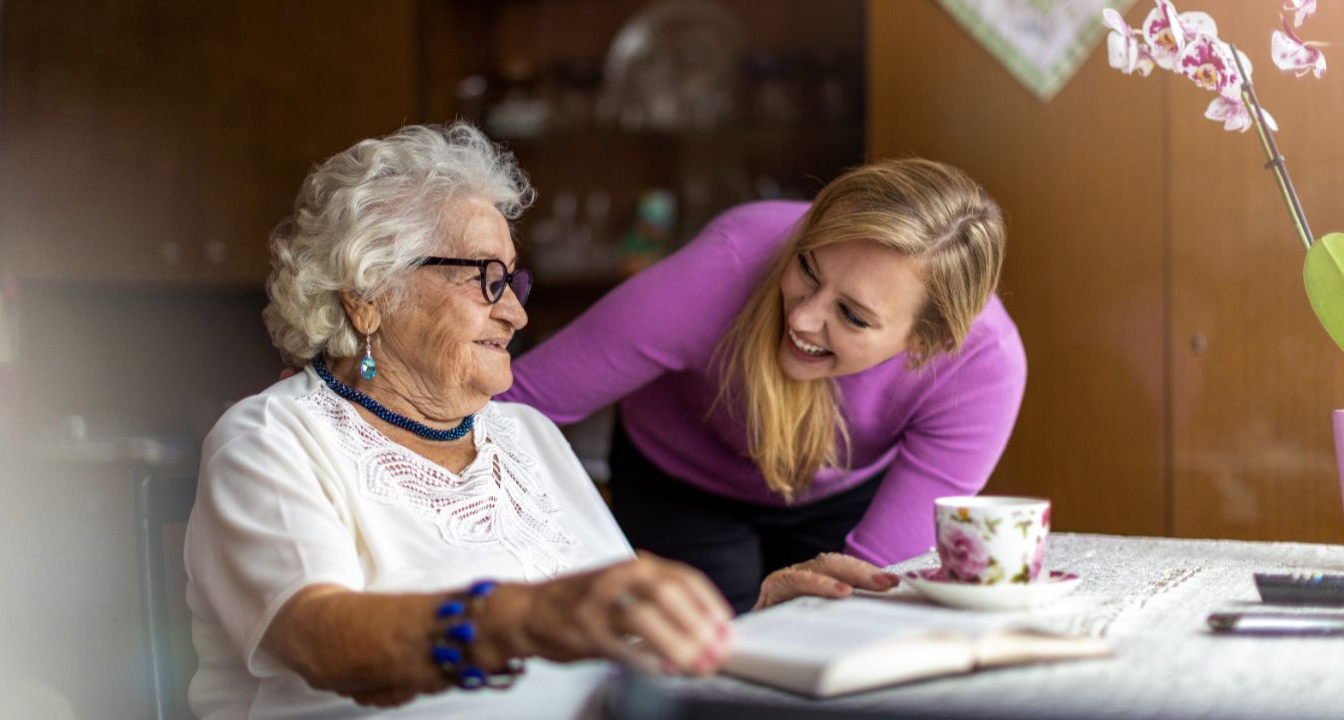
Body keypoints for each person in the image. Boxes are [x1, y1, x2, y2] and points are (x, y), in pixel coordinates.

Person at [183, 123, 899, 719]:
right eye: (483, 278)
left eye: (513, 280)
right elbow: (322, 640)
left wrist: (756, 615)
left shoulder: (522, 435)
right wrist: (521, 618)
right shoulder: (273, 441)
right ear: (369, 295)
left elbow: (613, 628)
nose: (516, 312)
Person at [501, 158, 1026, 613]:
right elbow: (511, 402)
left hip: (842, 492)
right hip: (680, 479)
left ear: (927, 342)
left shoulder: (983, 366)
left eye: (851, 315)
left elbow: (871, 589)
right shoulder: (727, 263)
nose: (803, 318)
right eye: (808, 268)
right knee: (700, 662)